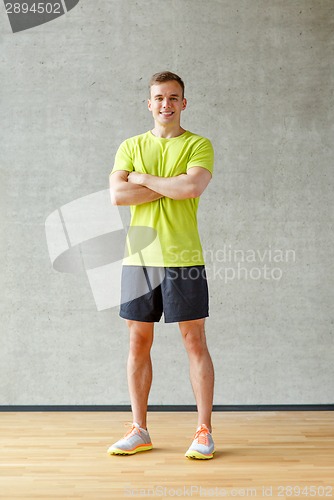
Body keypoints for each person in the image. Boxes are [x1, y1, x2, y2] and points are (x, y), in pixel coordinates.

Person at [108, 71, 215, 460]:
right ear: (149, 104)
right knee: (138, 341)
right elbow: (118, 196)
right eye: (159, 98)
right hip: (138, 260)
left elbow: (191, 188)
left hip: (184, 258)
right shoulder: (131, 145)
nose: (166, 104)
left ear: (183, 103)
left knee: (194, 341)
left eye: (173, 98)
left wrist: (144, 179)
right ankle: (139, 429)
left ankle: (203, 431)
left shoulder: (198, 145)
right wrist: (166, 184)